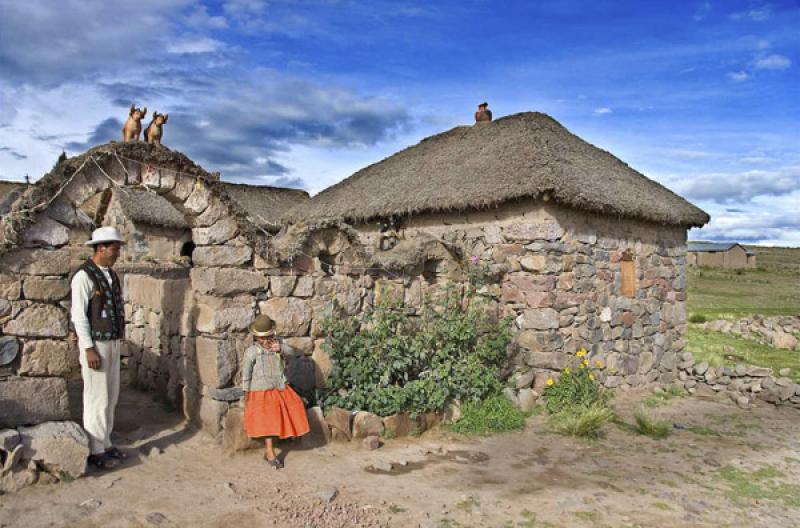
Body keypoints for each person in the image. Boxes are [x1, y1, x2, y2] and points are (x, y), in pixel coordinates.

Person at [70, 226, 128, 470]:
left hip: (112, 342)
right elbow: (79, 316)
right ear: (101, 248)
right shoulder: (83, 276)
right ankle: (95, 449)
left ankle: (105, 441)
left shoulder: (111, 275)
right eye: (114, 249)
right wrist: (88, 348)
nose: (117, 254)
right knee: (96, 397)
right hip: (97, 344)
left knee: (111, 395)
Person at [241, 315, 310, 469]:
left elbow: (292, 353)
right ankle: (270, 452)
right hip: (260, 391)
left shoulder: (276, 345)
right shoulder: (252, 352)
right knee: (269, 418)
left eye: (268, 336)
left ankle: (289, 437)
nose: (266, 340)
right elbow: (246, 374)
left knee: (295, 405)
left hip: (279, 387)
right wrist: (246, 393)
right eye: (262, 337)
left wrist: (281, 348)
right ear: (257, 337)